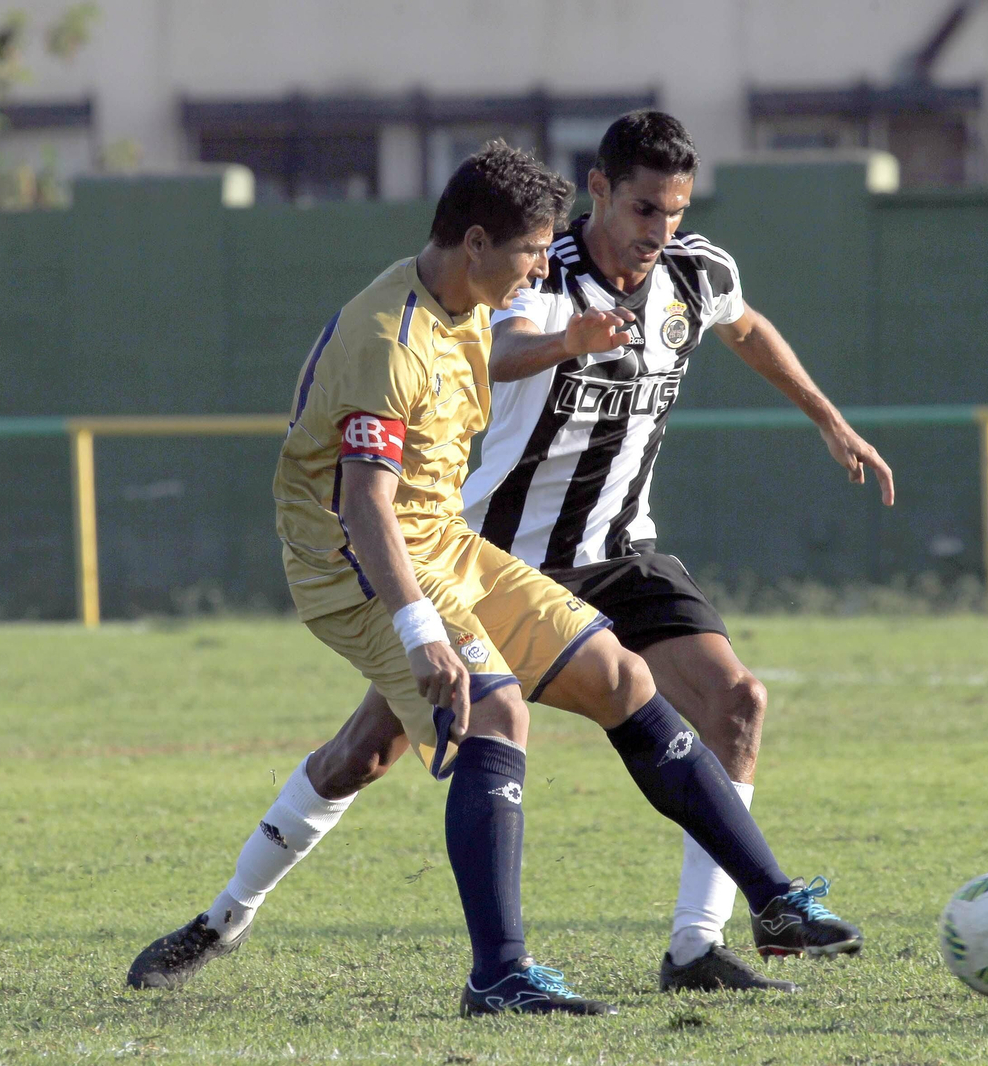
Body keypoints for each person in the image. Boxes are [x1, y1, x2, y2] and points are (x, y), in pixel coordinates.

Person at [130, 112, 890, 997]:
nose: (542, 266)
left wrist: (827, 418)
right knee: (489, 717)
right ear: (479, 242)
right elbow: (366, 502)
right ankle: (496, 975)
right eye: (531, 250)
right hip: (357, 561)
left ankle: (769, 902)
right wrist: (420, 632)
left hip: (451, 540)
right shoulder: (394, 342)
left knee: (621, 681)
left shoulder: (467, 299)